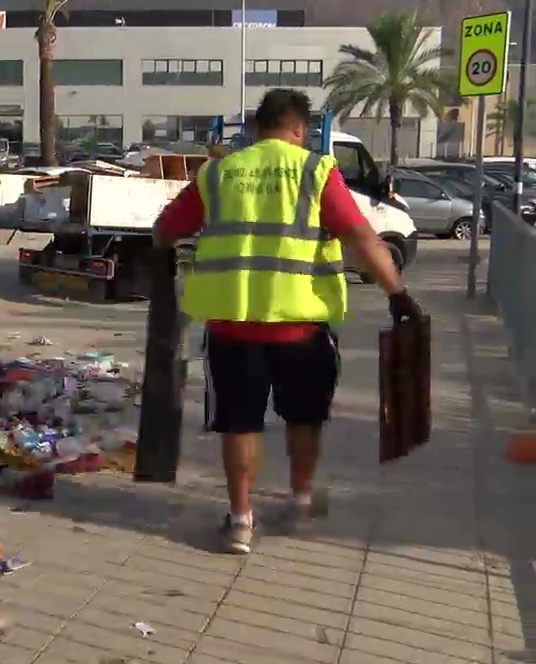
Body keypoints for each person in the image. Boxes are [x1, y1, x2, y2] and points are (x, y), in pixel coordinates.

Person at [152, 88, 421, 554]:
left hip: (232, 327)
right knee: (304, 418)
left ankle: (240, 521)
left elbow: (164, 230)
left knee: (239, 424)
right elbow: (360, 235)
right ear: (299, 128)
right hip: (301, 329)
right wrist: (397, 294)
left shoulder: (218, 173)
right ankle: (299, 501)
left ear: (257, 128)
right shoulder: (316, 171)